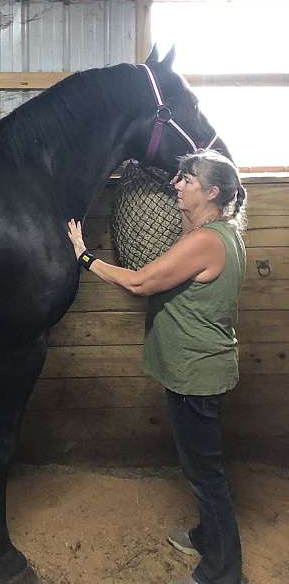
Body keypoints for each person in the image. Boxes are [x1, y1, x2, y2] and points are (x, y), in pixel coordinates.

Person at [67, 149, 247, 584]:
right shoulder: (220, 233)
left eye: (188, 180)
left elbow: (140, 282)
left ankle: (225, 573)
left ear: (212, 191)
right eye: (179, 178)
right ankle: (208, 537)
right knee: (202, 467)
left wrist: (83, 255)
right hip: (199, 369)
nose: (177, 184)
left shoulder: (205, 242)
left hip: (196, 375)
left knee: (206, 474)